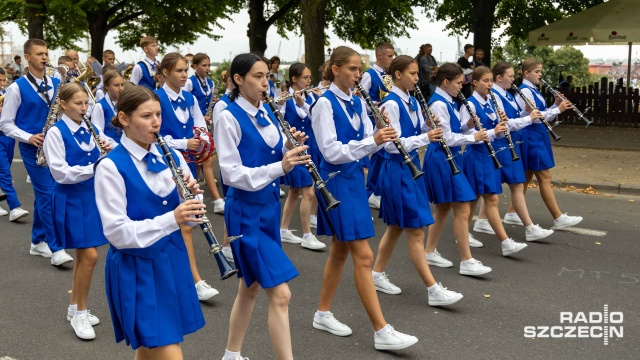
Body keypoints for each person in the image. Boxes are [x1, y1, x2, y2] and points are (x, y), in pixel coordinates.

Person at [310, 46, 418, 351]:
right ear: (335, 69)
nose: (359, 75)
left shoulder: (358, 102)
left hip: (354, 181)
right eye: (353, 69)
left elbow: (373, 146)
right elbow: (330, 151)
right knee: (364, 257)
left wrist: (380, 134)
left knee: (340, 252)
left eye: (360, 70)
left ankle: (322, 313)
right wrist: (371, 140)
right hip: (335, 183)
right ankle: (382, 330)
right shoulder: (323, 105)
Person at [95, 85, 205, 358]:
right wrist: (173, 218)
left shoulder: (171, 156)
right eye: (146, 116)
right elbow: (116, 233)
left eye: (158, 114)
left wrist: (187, 200)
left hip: (171, 261)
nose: (156, 122)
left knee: (149, 348)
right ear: (124, 119)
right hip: (137, 270)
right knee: (167, 350)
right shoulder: (110, 167)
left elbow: (183, 217)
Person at [215, 53, 307, 360]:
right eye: (257, 76)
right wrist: (280, 167)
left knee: (250, 287)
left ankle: (231, 354)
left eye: (266, 75)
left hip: (268, 208)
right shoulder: (227, 115)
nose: (265, 82)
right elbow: (231, 174)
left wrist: (290, 145)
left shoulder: (267, 111)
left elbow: (271, 150)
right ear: (238, 79)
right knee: (281, 295)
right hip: (244, 211)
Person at [370, 55, 463, 306]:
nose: (416, 78)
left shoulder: (410, 100)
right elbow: (391, 146)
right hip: (398, 169)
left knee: (396, 226)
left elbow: (411, 134)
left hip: (410, 167)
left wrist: (426, 128)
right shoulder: (390, 103)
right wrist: (427, 138)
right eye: (412, 73)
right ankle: (433, 290)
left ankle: (376, 274)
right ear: (397, 75)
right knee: (415, 232)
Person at [42, 82, 115, 340]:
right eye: (78, 103)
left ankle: (74, 308)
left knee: (85, 257)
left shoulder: (89, 126)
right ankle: (81, 313)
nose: (84, 108)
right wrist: (97, 167)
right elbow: (60, 173)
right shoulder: (55, 132)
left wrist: (117, 152)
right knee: (91, 256)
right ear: (63, 104)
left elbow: (109, 146)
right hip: (71, 198)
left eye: (86, 103)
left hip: (92, 197)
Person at [0, 38, 74, 266]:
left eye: (46, 53)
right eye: (39, 54)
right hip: (34, 149)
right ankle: (55, 247)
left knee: (46, 195)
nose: (44, 57)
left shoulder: (55, 83)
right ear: (28, 57)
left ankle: (37, 241)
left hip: (56, 148)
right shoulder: (16, 87)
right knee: (48, 195)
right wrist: (28, 137)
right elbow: (5, 123)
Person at [155, 52, 220, 301]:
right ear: (165, 74)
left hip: (187, 165)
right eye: (179, 71)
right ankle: (193, 279)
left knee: (187, 224)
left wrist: (203, 140)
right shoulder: (157, 98)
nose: (184, 75)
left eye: (185, 70)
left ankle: (190, 279)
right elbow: (155, 135)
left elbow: (199, 126)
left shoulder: (190, 98)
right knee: (175, 223)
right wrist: (185, 142)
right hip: (163, 165)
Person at [422, 63, 492, 275]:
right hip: (442, 158)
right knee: (462, 207)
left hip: (449, 157)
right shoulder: (439, 104)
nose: (462, 87)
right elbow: (445, 137)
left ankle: (429, 251)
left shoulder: (448, 101)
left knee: (443, 208)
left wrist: (468, 125)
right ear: (446, 82)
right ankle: (466, 260)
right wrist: (473, 137)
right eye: (459, 83)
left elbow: (452, 130)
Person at [473, 62, 554, 242]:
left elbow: (511, 119)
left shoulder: (506, 95)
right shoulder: (494, 95)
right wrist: (529, 118)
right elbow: (505, 124)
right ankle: (526, 227)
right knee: (492, 188)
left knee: (506, 186)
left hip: (509, 143)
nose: (513, 79)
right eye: (510, 76)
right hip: (499, 145)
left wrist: (526, 113)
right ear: (499, 78)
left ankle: (482, 221)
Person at [460, 66, 530, 256]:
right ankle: (505, 242)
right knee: (491, 199)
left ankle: (463, 234)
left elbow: (495, 126)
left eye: (491, 80)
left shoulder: (490, 101)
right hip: (477, 155)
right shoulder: (470, 104)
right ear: (475, 83)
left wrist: (502, 123)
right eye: (485, 81)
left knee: (473, 200)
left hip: (489, 155)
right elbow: (464, 133)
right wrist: (487, 130)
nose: (490, 84)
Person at [515, 58, 583, 229]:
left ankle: (511, 213)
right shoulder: (525, 92)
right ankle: (558, 218)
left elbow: (543, 113)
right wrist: (558, 110)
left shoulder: (533, 90)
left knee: (527, 176)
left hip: (537, 135)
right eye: (537, 72)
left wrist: (555, 105)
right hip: (531, 136)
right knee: (545, 177)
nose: (540, 75)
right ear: (526, 73)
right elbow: (535, 118)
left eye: (540, 71)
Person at [278, 62, 326, 250]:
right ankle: (307, 235)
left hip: (310, 147)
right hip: (295, 148)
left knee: (295, 191)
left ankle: (283, 229)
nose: (309, 81)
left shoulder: (309, 96)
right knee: (308, 191)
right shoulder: (283, 99)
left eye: (309, 77)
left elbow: (317, 119)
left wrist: (304, 103)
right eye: (305, 78)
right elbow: (278, 123)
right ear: (294, 79)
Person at [183, 52, 226, 214]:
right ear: (195, 67)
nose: (207, 69)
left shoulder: (210, 83)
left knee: (206, 160)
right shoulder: (189, 83)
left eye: (209, 65)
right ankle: (211, 199)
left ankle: (214, 200)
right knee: (197, 162)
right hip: (192, 125)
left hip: (202, 125)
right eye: (204, 65)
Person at [361, 41, 395, 210]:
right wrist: (376, 105)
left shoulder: (387, 76)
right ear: (379, 56)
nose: (392, 59)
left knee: (384, 157)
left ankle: (378, 192)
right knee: (378, 157)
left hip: (384, 120)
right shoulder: (369, 75)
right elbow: (361, 99)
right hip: (373, 122)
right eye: (389, 56)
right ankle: (370, 192)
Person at [0, 66, 30, 221]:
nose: (2, 84)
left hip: (7, 137)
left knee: (4, 169)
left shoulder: (7, 94)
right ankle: (14, 207)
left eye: (3, 80)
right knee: (4, 172)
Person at [90, 70, 125, 142]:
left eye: (122, 85)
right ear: (106, 86)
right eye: (116, 85)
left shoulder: (126, 103)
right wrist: (114, 145)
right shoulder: (99, 106)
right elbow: (98, 132)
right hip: (110, 148)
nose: (120, 88)